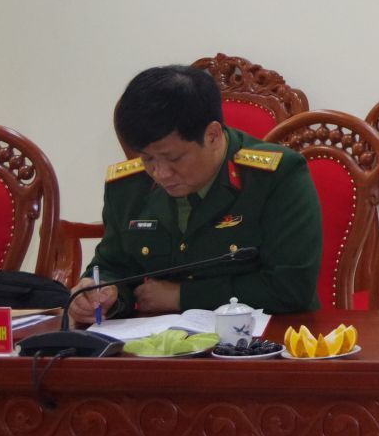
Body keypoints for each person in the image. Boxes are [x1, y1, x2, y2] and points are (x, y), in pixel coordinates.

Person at [67, 65, 322, 323]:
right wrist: (101, 294)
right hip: (154, 341)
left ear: (212, 135)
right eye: (147, 159)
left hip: (262, 339)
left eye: (174, 158)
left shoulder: (275, 177)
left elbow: (292, 287)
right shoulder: (128, 186)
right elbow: (112, 266)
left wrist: (182, 296)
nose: (160, 173)